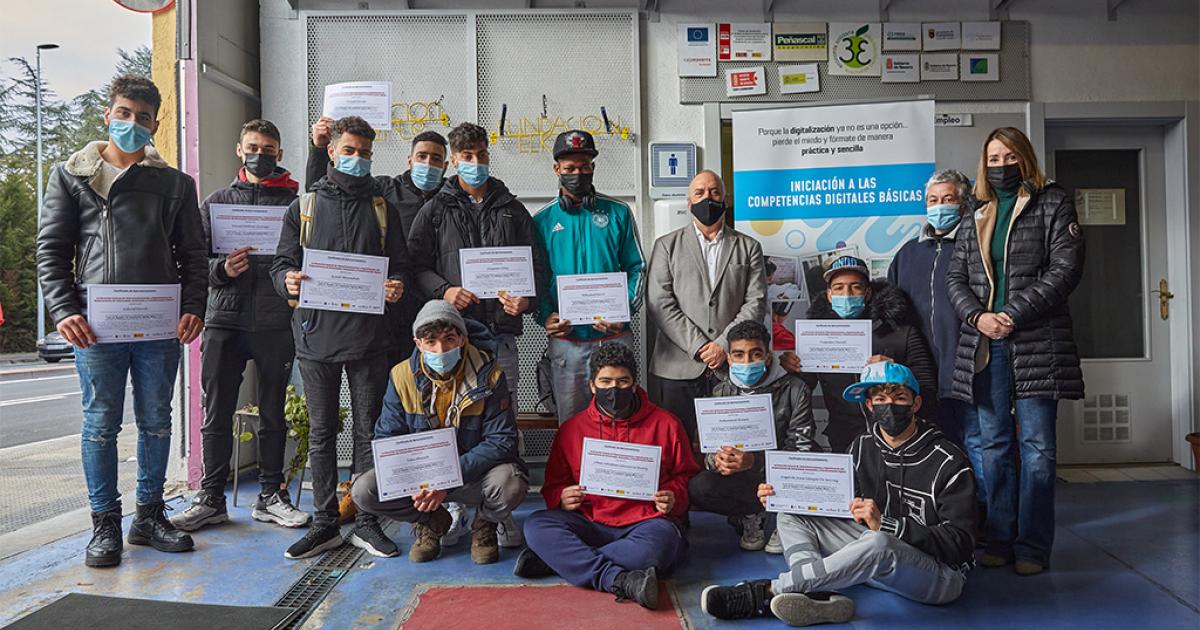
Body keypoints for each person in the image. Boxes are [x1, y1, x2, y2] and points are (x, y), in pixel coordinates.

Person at [37, 75, 207, 567]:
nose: (132, 123)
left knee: (157, 421)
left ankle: (149, 516)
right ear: (107, 115)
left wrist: (194, 305)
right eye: (124, 113)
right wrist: (64, 309)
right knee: (100, 424)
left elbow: (193, 255)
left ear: (156, 124)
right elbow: (52, 250)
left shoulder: (175, 184)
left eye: (143, 117)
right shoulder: (70, 176)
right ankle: (105, 524)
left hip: (159, 325)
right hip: (96, 325)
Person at [700, 362, 976, 626]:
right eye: (880, 398)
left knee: (880, 542)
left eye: (900, 398)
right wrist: (782, 494)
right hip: (875, 559)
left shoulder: (949, 461)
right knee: (790, 514)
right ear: (869, 405)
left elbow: (961, 544)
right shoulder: (862, 446)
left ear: (915, 404)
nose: (889, 405)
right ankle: (815, 594)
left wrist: (889, 525)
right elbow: (837, 504)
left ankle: (767, 593)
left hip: (939, 575)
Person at [946, 127, 1085, 576]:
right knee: (994, 446)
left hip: (1037, 342)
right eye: (993, 157)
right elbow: (955, 278)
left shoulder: (1053, 202)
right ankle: (1000, 539)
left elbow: (1065, 270)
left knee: (1038, 448)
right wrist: (978, 317)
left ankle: (1032, 547)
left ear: (1025, 158)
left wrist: (1010, 314)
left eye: (1009, 156)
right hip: (986, 344)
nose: (1001, 165)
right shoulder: (976, 210)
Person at [271, 115, 410, 560]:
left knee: (370, 430)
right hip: (316, 338)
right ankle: (325, 522)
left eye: (365, 152)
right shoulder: (305, 206)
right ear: (331, 151)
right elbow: (281, 262)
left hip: (370, 338)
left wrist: (396, 285)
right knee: (322, 431)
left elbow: (400, 264)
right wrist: (287, 281)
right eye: (349, 150)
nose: (357, 158)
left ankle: (367, 520)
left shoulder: (383, 207)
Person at [407, 122, 547, 548]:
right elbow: (415, 265)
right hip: (452, 338)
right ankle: (452, 506)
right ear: (454, 161)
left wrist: (526, 299)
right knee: (448, 422)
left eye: (481, 155)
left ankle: (497, 512)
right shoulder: (435, 209)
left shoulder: (512, 209)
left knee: (502, 422)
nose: (475, 162)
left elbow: (538, 267)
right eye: (466, 156)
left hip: (500, 335)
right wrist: (444, 290)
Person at [171, 119, 309, 533]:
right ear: (239, 150)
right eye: (253, 147)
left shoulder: (295, 206)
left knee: (273, 412)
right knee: (216, 412)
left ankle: (270, 495)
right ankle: (211, 497)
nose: (259, 155)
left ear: (279, 153)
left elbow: (305, 257)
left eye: (268, 149)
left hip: (275, 321)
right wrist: (222, 270)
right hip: (224, 322)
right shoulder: (216, 202)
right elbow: (193, 260)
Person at [515, 344, 699, 610]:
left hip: (645, 522)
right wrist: (561, 497)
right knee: (536, 525)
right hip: (589, 520)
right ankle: (617, 579)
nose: (614, 389)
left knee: (663, 545)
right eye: (605, 381)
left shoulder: (667, 424)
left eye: (623, 381)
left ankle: (557, 561)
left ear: (634, 385)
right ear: (592, 385)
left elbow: (686, 475)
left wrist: (673, 496)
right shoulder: (572, 429)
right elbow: (554, 484)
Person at [348, 301, 528, 564]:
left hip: (472, 475)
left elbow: (502, 442)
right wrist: (414, 484)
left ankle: (485, 523)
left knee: (511, 482)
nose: (440, 350)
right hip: (421, 477)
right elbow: (387, 437)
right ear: (418, 343)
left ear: (462, 339)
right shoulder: (401, 376)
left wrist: (446, 481)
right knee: (364, 490)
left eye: (449, 339)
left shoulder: (489, 375)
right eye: (431, 342)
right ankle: (431, 521)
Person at [308, 121, 449, 367]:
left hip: (440, 299)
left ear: (446, 166)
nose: (428, 164)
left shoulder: (452, 197)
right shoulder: (384, 189)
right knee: (397, 377)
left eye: (436, 158)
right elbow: (330, 191)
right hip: (394, 306)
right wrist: (318, 149)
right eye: (422, 156)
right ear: (410, 160)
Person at [647, 170, 767, 448]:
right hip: (676, 368)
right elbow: (659, 302)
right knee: (677, 448)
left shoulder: (749, 247)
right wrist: (701, 346)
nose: (707, 198)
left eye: (714, 192)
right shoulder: (666, 246)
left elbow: (756, 302)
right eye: (699, 193)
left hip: (732, 366)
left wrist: (723, 345)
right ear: (689, 203)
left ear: (725, 199)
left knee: (731, 447)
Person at [534, 129, 644, 424]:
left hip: (613, 337)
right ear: (557, 169)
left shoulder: (619, 213)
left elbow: (637, 267)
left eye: (584, 167)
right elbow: (536, 277)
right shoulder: (542, 220)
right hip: (567, 340)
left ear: (593, 168)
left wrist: (624, 311)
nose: (577, 174)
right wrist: (545, 315)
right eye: (569, 168)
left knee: (621, 419)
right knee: (571, 422)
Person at [780, 255, 936, 453]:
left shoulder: (902, 332)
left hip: (900, 438)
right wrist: (793, 368)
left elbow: (927, 390)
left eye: (855, 287)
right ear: (829, 295)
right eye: (839, 288)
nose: (847, 294)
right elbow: (804, 387)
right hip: (845, 439)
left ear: (867, 292)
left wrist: (895, 371)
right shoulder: (816, 337)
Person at [688, 320, 817, 554]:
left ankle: (785, 517)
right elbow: (709, 453)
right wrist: (719, 461)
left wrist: (754, 461)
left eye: (755, 354)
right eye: (738, 355)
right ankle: (751, 514)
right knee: (700, 486)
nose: (746, 362)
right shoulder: (720, 391)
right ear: (729, 358)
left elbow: (801, 449)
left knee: (809, 469)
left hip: (780, 475)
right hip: (743, 479)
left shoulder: (795, 389)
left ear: (768, 357)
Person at [887, 169, 973, 445]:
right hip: (921, 373)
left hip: (969, 370)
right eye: (933, 200)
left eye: (948, 199)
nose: (939, 206)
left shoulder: (976, 247)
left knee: (977, 443)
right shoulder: (907, 254)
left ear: (963, 205)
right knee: (929, 444)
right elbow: (892, 312)